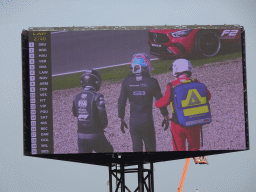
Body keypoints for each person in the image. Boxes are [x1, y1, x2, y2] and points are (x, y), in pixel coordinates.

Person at [155, 59, 211, 151]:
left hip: (177, 124)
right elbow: (208, 96)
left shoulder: (172, 85)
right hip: (194, 122)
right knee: (194, 148)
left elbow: (164, 102)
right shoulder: (197, 82)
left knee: (179, 149)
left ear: (176, 70)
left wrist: (156, 103)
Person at [118, 53, 169, 152]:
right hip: (147, 120)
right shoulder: (152, 82)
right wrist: (165, 117)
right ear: (146, 66)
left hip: (134, 121)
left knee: (137, 149)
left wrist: (121, 119)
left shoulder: (126, 82)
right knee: (150, 148)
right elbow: (160, 101)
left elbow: (121, 102)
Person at [72, 69, 113, 153]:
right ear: (95, 82)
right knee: (109, 151)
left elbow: (75, 113)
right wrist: (104, 124)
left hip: (81, 136)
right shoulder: (97, 96)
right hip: (95, 135)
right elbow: (102, 113)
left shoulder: (76, 97)